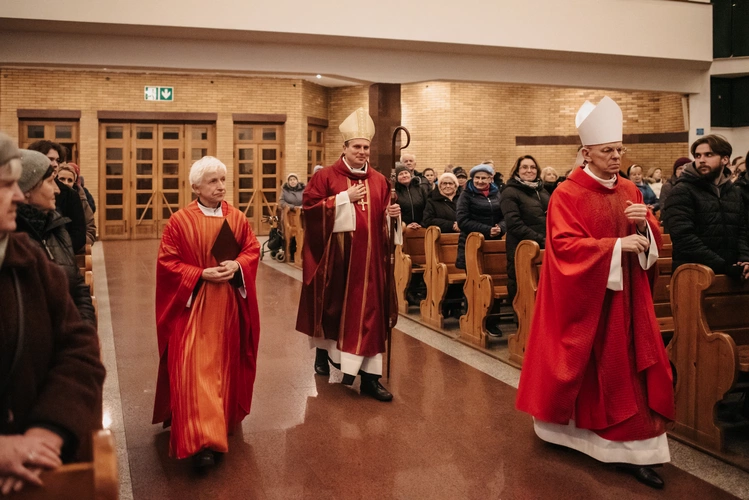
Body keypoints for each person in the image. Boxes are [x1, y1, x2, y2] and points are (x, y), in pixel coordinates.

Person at [516, 96, 674, 490]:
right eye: (608, 150)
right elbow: (564, 247)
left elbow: (648, 241)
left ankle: (636, 450)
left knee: (630, 368)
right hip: (590, 302)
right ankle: (575, 437)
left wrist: (645, 228)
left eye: (619, 149)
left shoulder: (630, 190)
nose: (616, 156)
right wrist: (616, 247)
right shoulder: (566, 195)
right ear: (586, 153)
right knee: (590, 368)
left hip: (628, 299)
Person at [0, 132, 105, 495]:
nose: (16, 195)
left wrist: (48, 430)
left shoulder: (26, 258)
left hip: (40, 454)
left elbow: (78, 349)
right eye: (4, 185)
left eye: (16, 183)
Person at [152, 156, 261, 468]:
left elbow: (251, 250)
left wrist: (237, 265)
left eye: (223, 180)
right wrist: (199, 274)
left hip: (228, 308)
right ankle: (202, 444)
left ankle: (217, 426)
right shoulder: (179, 222)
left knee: (221, 370)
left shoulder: (237, 219)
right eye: (213, 181)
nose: (221, 186)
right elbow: (168, 263)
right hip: (192, 309)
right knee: (194, 369)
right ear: (195, 186)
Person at [296, 107, 401, 402]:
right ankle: (325, 354)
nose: (362, 152)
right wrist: (343, 199)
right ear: (344, 147)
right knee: (333, 313)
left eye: (366, 147)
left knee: (370, 318)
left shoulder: (380, 180)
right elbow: (310, 211)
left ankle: (370, 378)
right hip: (338, 264)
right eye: (357, 146)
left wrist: (393, 216)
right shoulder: (326, 177)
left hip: (371, 266)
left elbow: (383, 220)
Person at [15, 150, 96, 326]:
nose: (58, 189)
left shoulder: (57, 227)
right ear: (29, 188)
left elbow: (79, 289)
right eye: (51, 181)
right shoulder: (15, 238)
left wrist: (86, 330)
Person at [663, 135, 749, 278]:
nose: (701, 160)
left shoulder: (733, 191)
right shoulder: (682, 190)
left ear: (725, 159)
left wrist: (745, 259)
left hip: (732, 272)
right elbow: (684, 238)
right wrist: (723, 266)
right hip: (693, 273)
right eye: (697, 156)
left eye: (709, 154)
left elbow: (741, 230)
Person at [499, 155, 549, 307]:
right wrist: (541, 239)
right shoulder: (510, 192)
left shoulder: (542, 191)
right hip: (521, 247)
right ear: (517, 170)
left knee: (544, 288)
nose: (529, 170)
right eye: (525, 167)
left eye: (533, 167)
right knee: (522, 286)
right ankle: (521, 324)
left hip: (545, 247)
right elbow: (514, 224)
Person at [27, 141, 87, 254]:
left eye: (57, 160)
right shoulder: (25, 189)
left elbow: (79, 233)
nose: (55, 164)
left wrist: (57, 253)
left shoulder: (70, 194)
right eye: (50, 159)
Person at [57, 164, 97, 246]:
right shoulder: (49, 198)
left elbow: (90, 231)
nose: (66, 183)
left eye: (70, 180)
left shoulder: (81, 199)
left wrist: (75, 244)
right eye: (62, 179)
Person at [658, 156, 690, 221]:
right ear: (675, 171)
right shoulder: (667, 186)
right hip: (672, 222)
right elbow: (664, 208)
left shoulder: (694, 186)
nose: (682, 171)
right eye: (680, 168)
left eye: (685, 168)